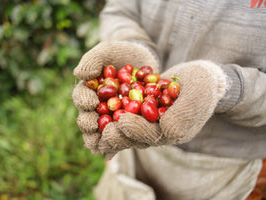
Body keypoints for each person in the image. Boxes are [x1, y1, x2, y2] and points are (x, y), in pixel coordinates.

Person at [72, 0, 266, 199]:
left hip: (229, 161)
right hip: (136, 139)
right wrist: (131, 43)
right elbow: (119, 10)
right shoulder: (146, 97)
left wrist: (224, 86)